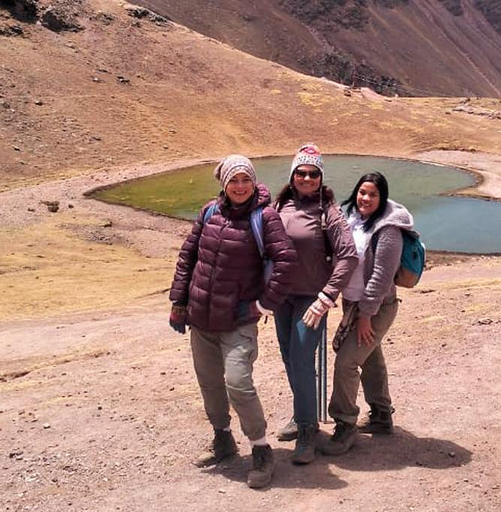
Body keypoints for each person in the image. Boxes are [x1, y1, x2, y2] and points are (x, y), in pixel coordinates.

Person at [169, 155, 297, 489]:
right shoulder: (209, 212)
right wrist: (178, 302)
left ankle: (260, 448)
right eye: (233, 180)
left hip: (238, 320)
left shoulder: (264, 217)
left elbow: (286, 261)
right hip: (201, 318)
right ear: (223, 184)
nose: (240, 187)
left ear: (254, 182)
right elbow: (188, 257)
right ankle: (222, 440)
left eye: (245, 180)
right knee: (209, 382)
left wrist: (264, 304)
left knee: (238, 382)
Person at [273, 143, 358, 464]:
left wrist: (326, 297)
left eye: (313, 173)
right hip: (281, 297)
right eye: (301, 172)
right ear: (293, 175)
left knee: (301, 360)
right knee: (289, 359)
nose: (307, 178)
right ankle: (302, 413)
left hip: (312, 299)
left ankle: (308, 430)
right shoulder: (280, 204)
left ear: (320, 178)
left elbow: (348, 255)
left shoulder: (329, 212)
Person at [320, 172, 414, 456]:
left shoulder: (388, 230)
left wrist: (365, 316)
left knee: (347, 362)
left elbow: (382, 277)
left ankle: (345, 424)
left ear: (381, 197)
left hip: (375, 308)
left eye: (373, 194)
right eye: (362, 192)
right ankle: (382, 416)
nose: (366, 198)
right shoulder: (353, 219)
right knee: (371, 357)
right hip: (353, 304)